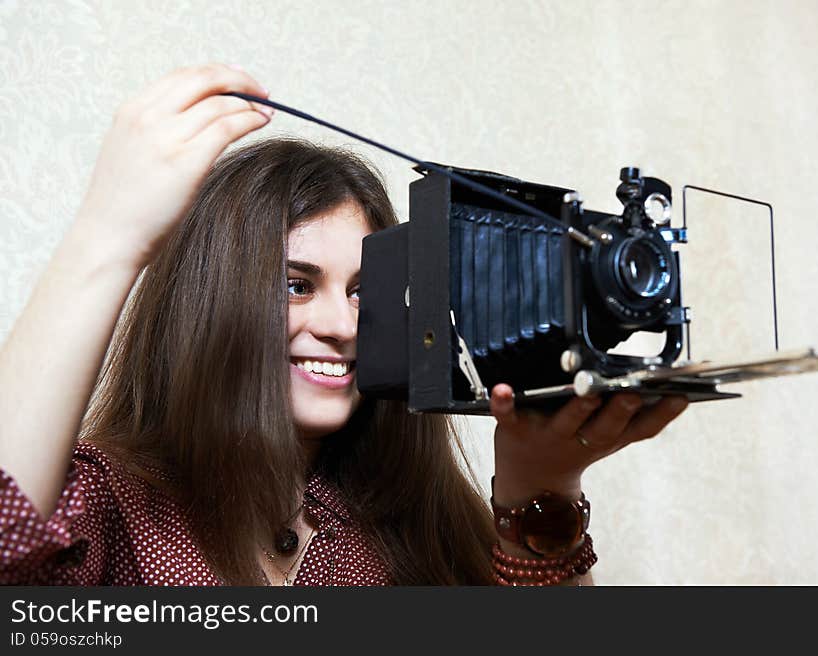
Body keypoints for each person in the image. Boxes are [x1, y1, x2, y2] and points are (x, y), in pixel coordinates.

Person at [0, 64, 689, 586]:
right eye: (297, 285)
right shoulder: (108, 503)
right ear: (211, 301)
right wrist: (104, 237)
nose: (341, 325)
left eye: (366, 293)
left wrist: (542, 487)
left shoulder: (417, 527)